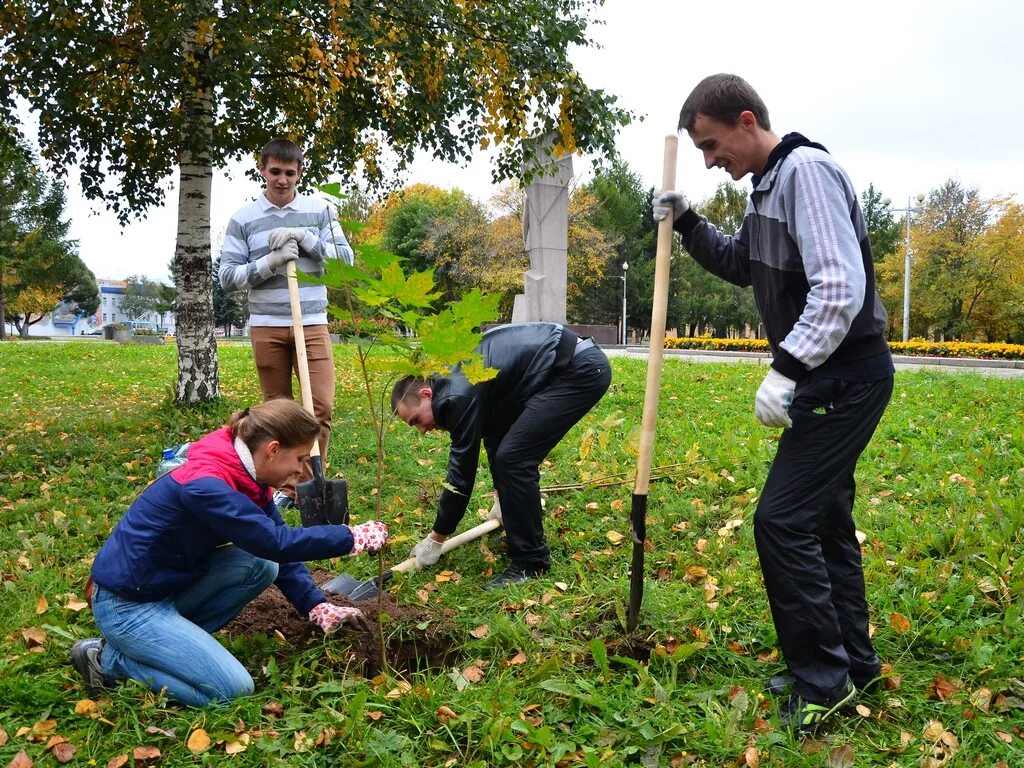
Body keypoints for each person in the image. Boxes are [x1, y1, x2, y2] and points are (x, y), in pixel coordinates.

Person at [653, 74, 894, 733]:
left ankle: (822, 685)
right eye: (700, 152)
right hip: (829, 379)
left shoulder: (805, 173)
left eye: (711, 144)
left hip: (845, 378)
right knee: (821, 523)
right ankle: (852, 663)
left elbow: (839, 288)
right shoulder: (766, 188)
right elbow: (743, 264)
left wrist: (787, 368)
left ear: (747, 119)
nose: (709, 161)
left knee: (781, 522)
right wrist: (688, 221)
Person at [69, 399, 388, 707]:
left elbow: (274, 551)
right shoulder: (207, 484)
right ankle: (108, 661)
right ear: (273, 450)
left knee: (261, 566)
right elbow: (276, 541)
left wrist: (314, 605)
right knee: (233, 689)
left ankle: (165, 645)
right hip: (127, 606)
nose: (301, 470)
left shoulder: (244, 472)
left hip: (164, 587)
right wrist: (351, 538)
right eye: (300, 458)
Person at [391, 322, 611, 589]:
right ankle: (518, 518)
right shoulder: (454, 382)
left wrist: (436, 538)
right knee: (508, 449)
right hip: (565, 364)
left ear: (426, 394)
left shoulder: (456, 396)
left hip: (579, 371)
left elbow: (461, 476)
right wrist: (501, 496)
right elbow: (495, 432)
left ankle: (531, 563)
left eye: (416, 420)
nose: (422, 430)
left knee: (515, 459)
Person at [218, 138, 354, 509]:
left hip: (311, 322)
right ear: (262, 169)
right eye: (274, 171)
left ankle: (311, 483)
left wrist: (307, 239)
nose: (282, 180)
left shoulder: (320, 212)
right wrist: (272, 261)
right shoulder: (243, 219)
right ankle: (286, 488)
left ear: (299, 173)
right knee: (276, 412)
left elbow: (345, 261)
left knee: (320, 406)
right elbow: (228, 276)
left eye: (289, 173)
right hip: (267, 326)